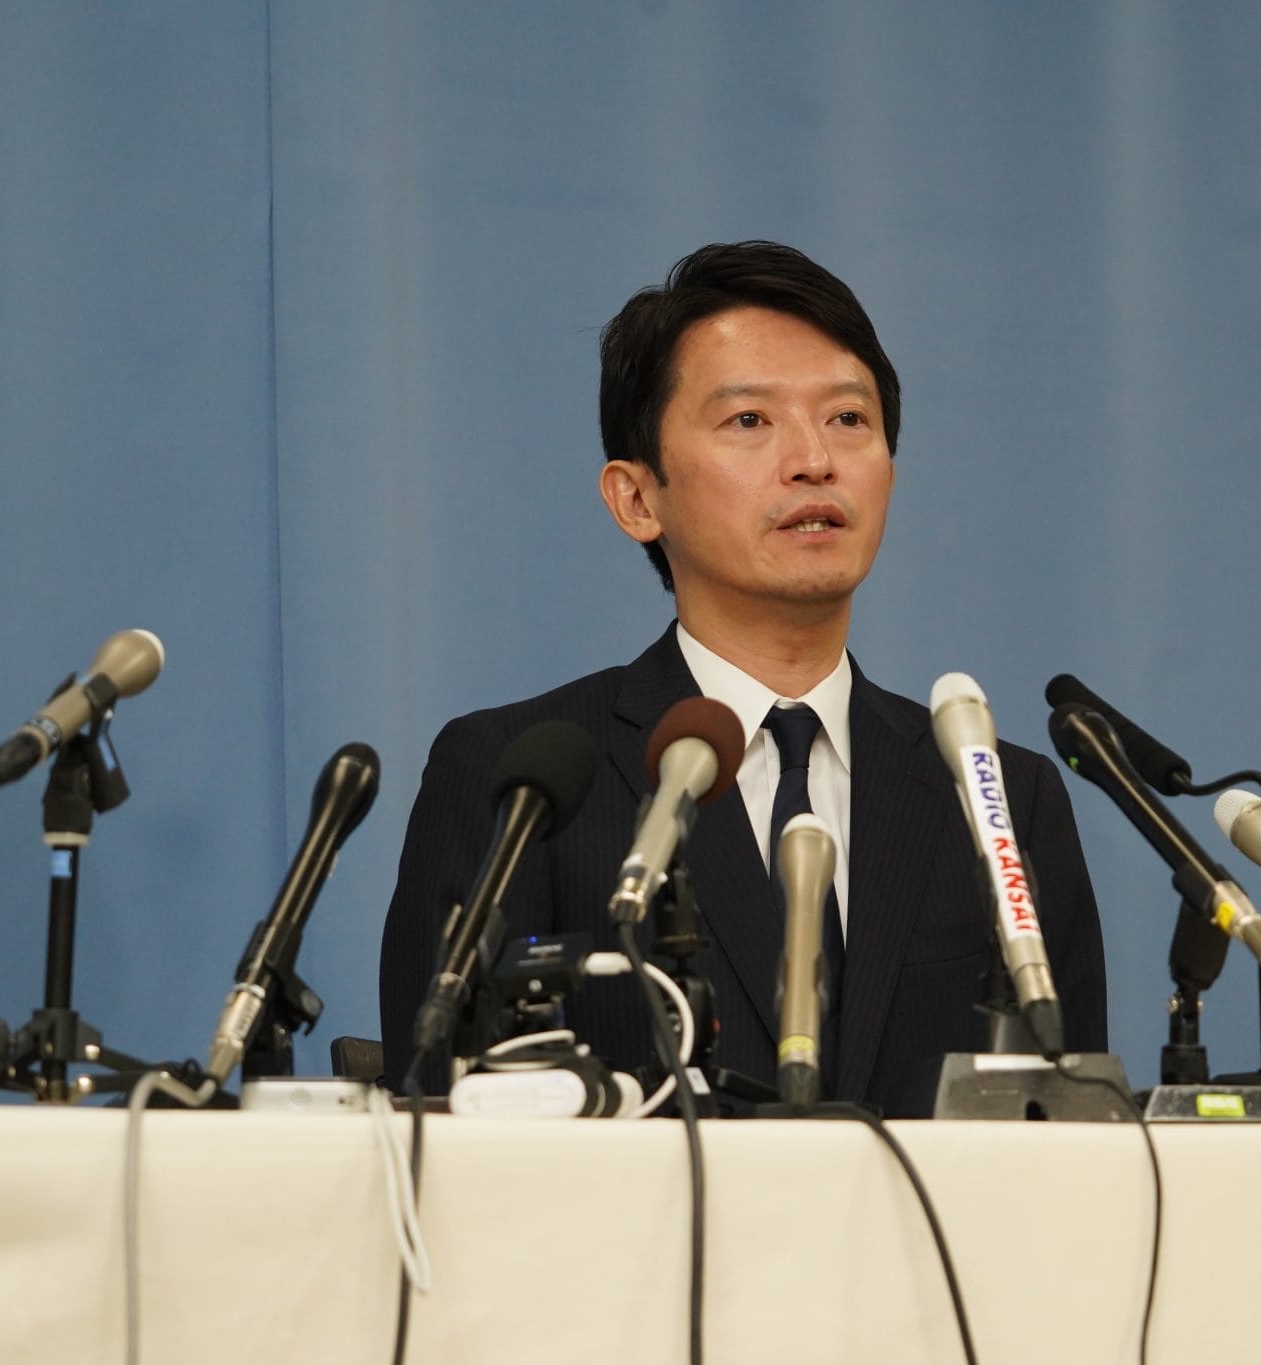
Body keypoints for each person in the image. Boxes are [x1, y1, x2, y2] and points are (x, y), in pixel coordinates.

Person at [378, 241, 1106, 1117]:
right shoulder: (521, 783)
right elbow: (446, 1124)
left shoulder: (999, 796)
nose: (814, 460)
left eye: (848, 418)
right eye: (750, 420)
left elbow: (1072, 1126)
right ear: (637, 498)